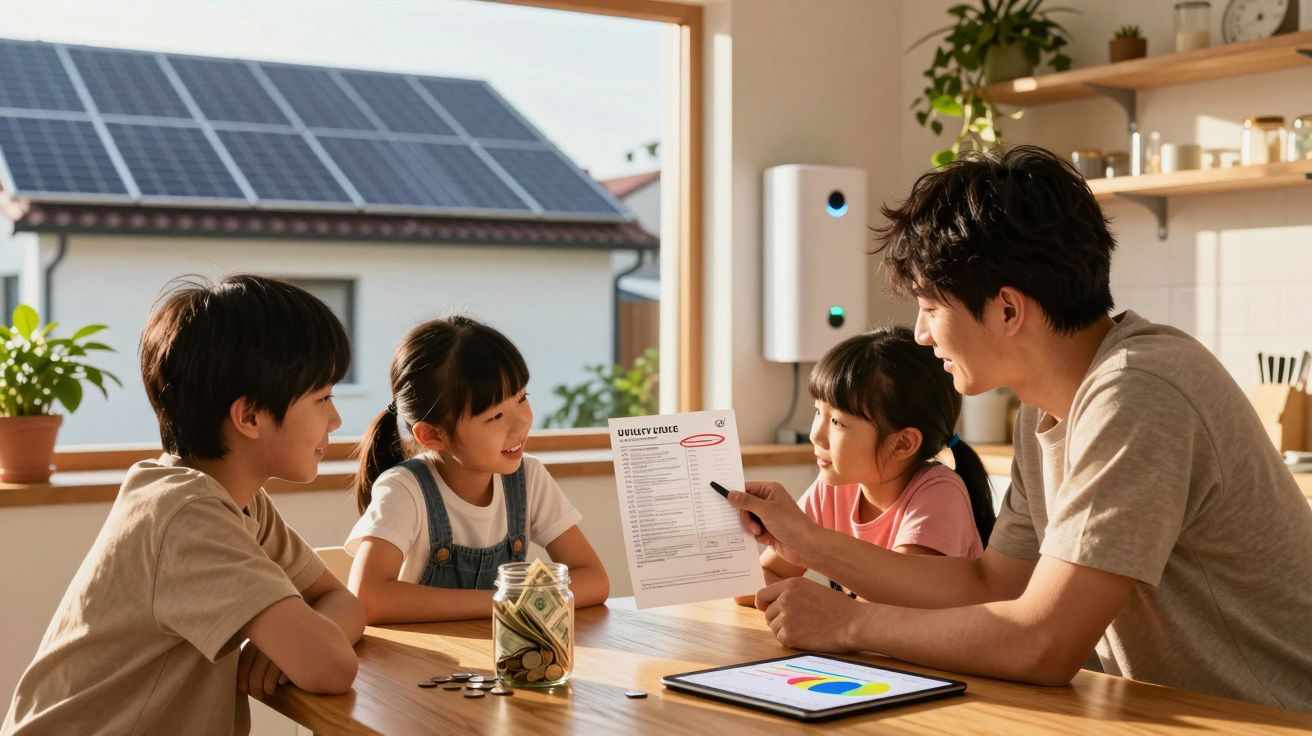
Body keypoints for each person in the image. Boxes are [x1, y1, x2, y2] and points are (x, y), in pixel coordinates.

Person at [727, 146, 1312, 712]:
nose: (923, 335)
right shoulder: (1048, 404)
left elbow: (1044, 644)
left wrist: (851, 623)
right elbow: (992, 586)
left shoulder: (1138, 390)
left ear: (1008, 309)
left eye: (931, 307)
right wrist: (806, 541)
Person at [4, 275, 365, 734]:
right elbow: (330, 666)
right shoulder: (186, 515)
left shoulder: (238, 501)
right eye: (323, 398)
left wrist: (289, 641)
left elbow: (340, 600)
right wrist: (303, 642)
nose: (335, 418)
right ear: (250, 416)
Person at [346, 315, 609, 622]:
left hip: (508, 656)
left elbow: (594, 579)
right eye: (495, 416)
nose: (522, 422)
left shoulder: (529, 477)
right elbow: (368, 598)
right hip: (432, 664)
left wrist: (507, 604)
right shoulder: (404, 489)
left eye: (522, 398)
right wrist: (505, 603)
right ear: (433, 435)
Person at [735, 326, 993, 606]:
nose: (815, 435)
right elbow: (755, 580)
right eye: (818, 412)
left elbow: (900, 608)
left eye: (837, 422)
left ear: (903, 443)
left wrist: (813, 601)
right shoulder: (833, 489)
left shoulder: (938, 494)